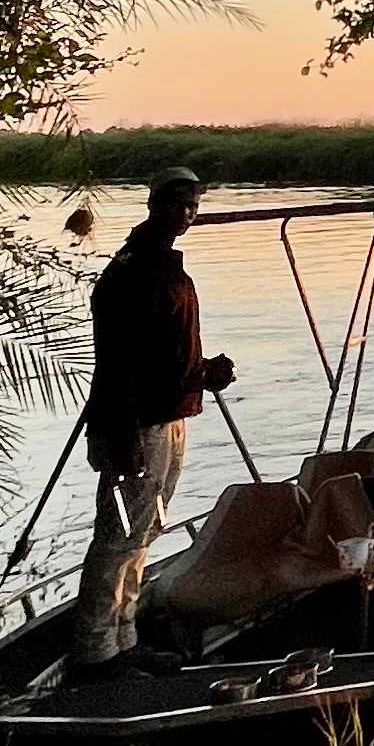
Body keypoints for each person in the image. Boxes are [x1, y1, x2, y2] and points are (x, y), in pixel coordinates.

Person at [71, 167, 233, 669]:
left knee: (146, 532)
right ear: (156, 205)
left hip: (171, 414)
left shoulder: (167, 267)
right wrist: (122, 437)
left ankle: (126, 636)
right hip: (136, 423)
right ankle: (97, 649)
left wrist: (203, 373)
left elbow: (167, 351)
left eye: (194, 204)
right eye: (180, 203)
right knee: (119, 535)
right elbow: (119, 362)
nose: (188, 212)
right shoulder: (133, 270)